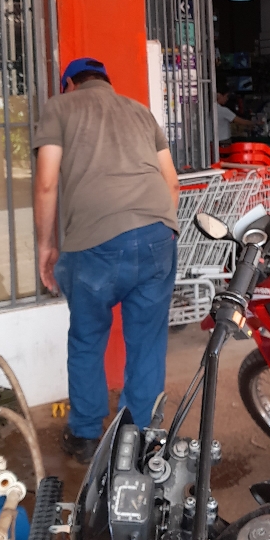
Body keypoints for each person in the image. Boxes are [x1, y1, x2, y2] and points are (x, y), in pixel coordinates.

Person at [34, 57, 181, 463]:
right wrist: (155, 233)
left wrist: (46, 246)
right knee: (147, 343)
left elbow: (46, 183)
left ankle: (84, 435)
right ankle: (139, 439)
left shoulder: (59, 107)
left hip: (94, 243)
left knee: (87, 338)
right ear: (106, 81)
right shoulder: (140, 112)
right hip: (157, 235)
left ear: (69, 84)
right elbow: (171, 183)